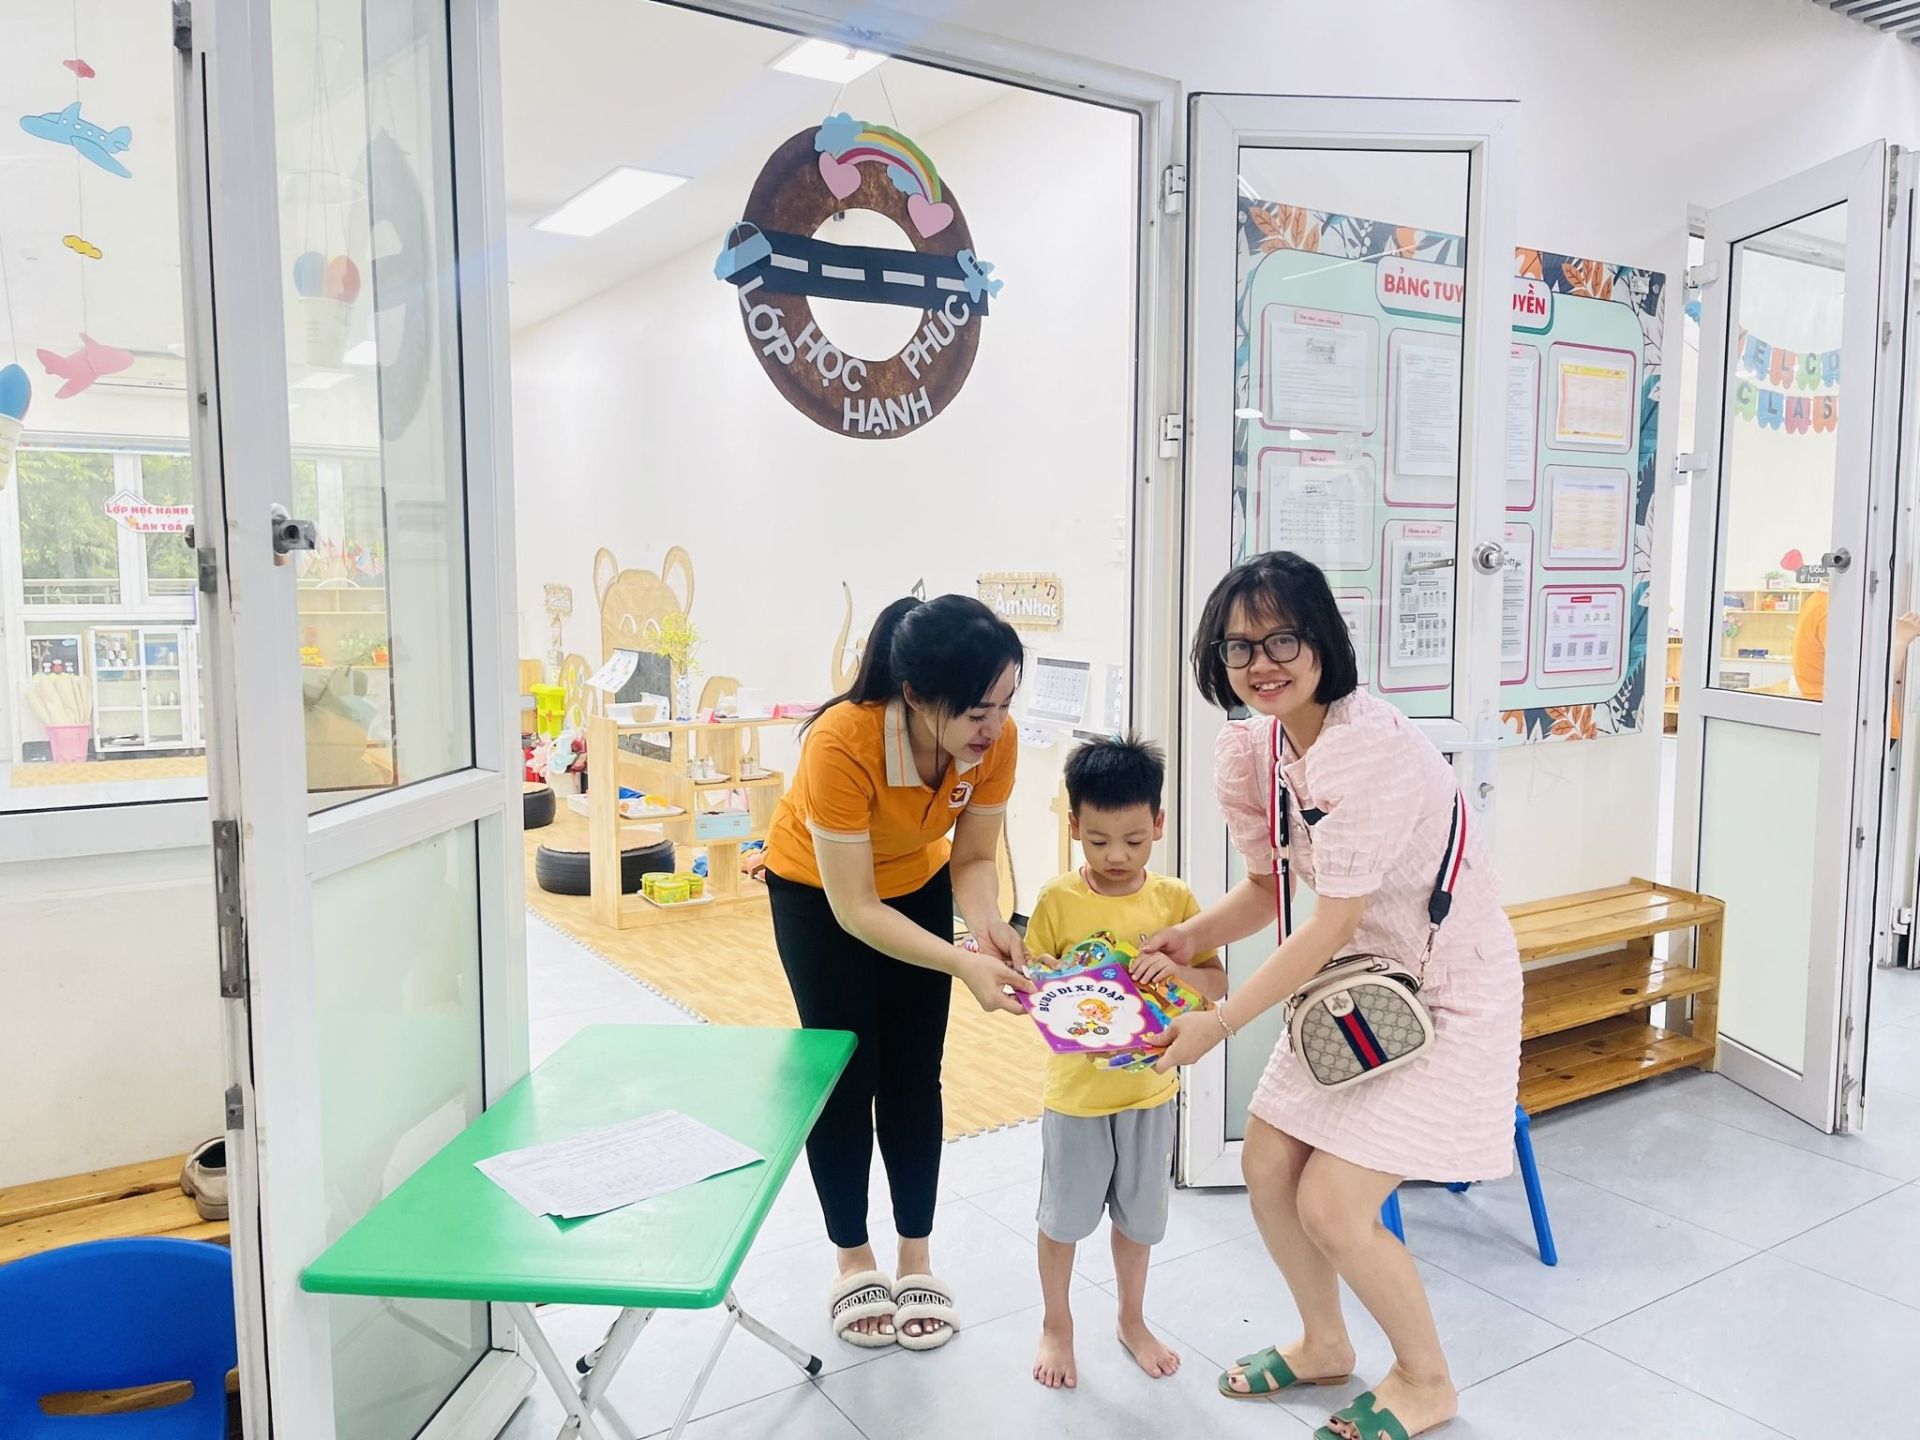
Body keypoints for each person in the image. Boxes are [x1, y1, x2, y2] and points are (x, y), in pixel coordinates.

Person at [1142, 551, 1521, 1440]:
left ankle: (1427, 1380)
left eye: (1283, 639)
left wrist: (1219, 1023)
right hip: (1356, 985)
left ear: (1322, 640)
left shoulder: (1367, 748)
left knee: (1333, 1205)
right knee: (1267, 1164)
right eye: (1239, 647)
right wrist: (1192, 938)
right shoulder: (1256, 749)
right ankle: (1323, 1343)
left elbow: (1330, 919)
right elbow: (1267, 891)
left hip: (1447, 993)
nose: (1261, 663)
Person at [763, 594, 1033, 1352]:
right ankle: (853, 1258)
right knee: (846, 1072)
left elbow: (972, 858)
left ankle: (916, 1254)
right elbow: (854, 907)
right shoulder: (841, 742)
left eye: (1005, 705)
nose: (994, 727)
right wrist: (961, 963)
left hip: (916, 880)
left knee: (915, 1073)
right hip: (819, 895)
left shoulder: (996, 741)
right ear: (915, 695)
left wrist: (987, 928)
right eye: (977, 711)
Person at [1021, 735, 1226, 1390]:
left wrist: (1177, 969)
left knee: (1139, 1222)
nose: (1116, 856)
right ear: (1073, 826)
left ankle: (1131, 1320)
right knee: (1063, 1221)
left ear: (1159, 825)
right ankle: (1057, 1323)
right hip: (1077, 1098)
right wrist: (1049, 982)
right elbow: (1032, 983)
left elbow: (1216, 986)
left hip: (1150, 1094)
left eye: (1134, 841)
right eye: (1098, 840)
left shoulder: (1175, 900)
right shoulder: (1057, 900)